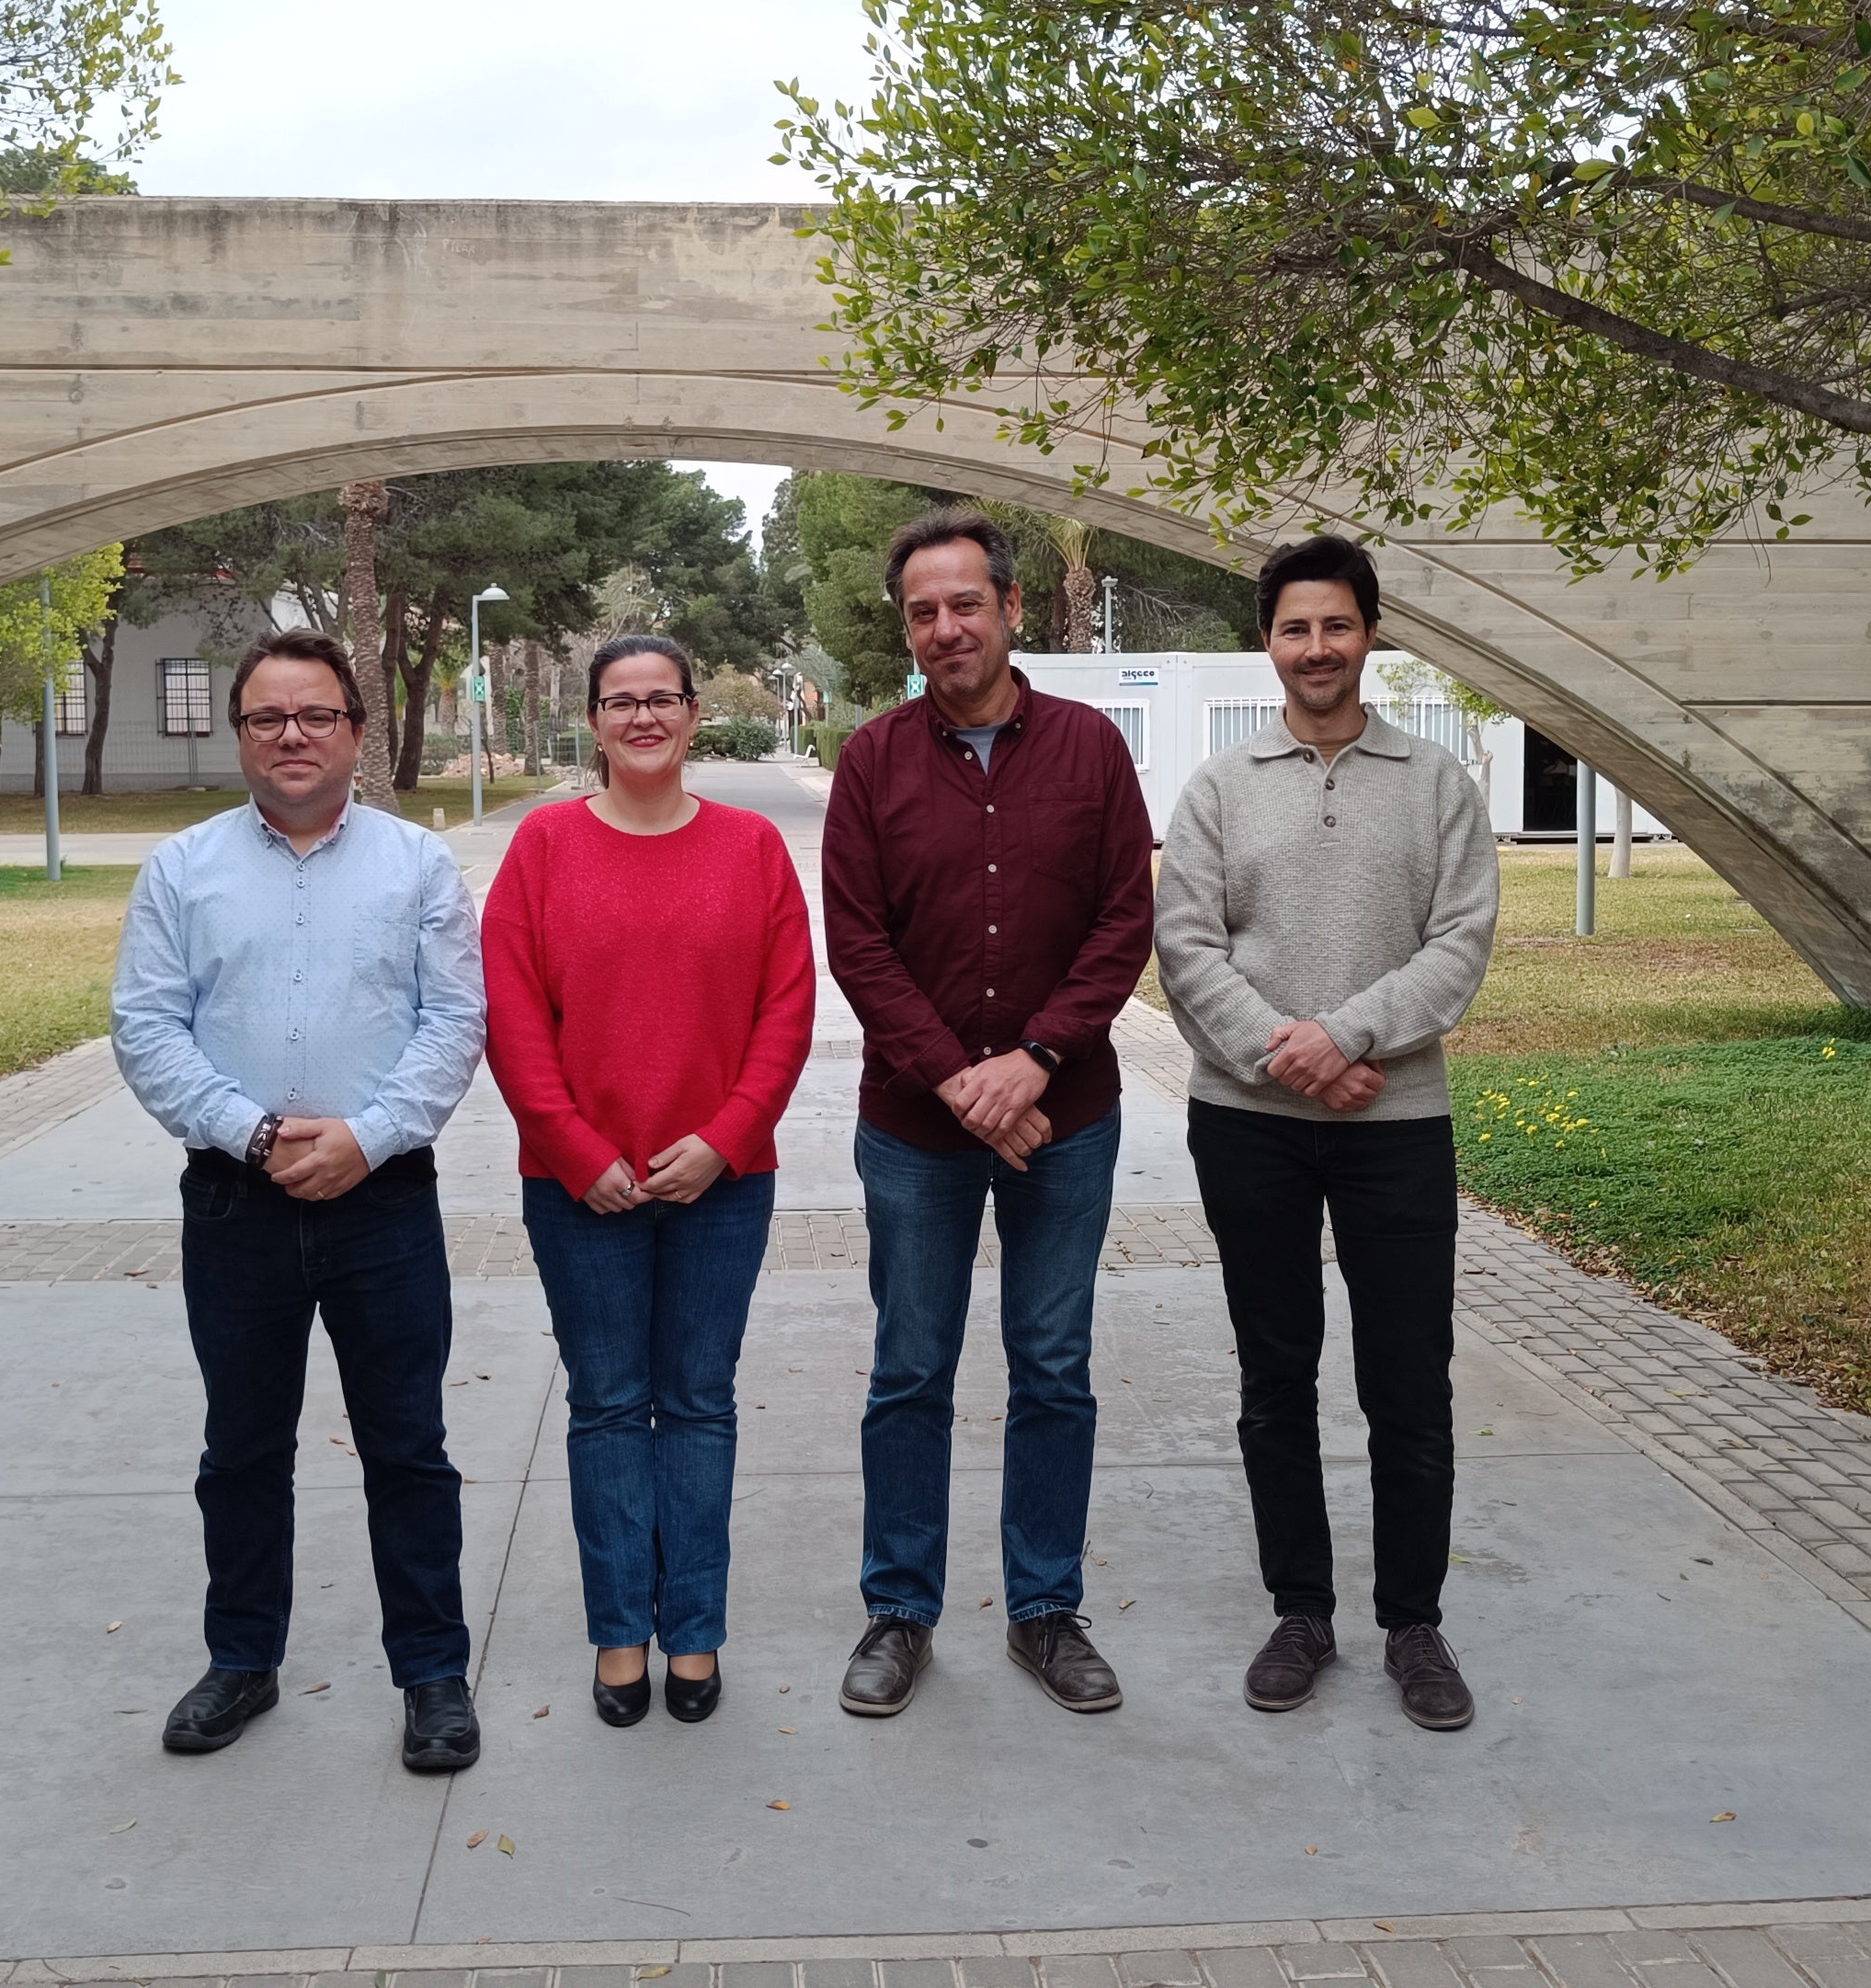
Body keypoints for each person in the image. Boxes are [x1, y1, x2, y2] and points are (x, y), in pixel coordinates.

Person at [111, 627, 490, 1771]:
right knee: (241, 1450)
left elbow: (454, 1022)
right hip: (237, 1205)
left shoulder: (416, 867)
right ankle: (242, 1662)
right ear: (241, 734)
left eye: (315, 715)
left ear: (356, 732)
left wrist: (365, 1140)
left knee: (408, 1451)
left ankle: (431, 1677)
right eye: (268, 717)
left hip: (383, 1203)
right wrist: (258, 1133)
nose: (292, 735)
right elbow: (145, 1026)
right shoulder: (182, 869)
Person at [1153, 535, 1500, 1731]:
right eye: (1295, 629)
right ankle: (1301, 1610)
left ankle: (1415, 1625)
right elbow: (1185, 949)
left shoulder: (1439, 784)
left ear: (1370, 633)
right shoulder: (1216, 788)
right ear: (1269, 641)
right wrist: (1285, 1054)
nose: (1317, 649)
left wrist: (1344, 1040)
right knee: (1276, 1375)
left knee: (1410, 1386)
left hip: (1396, 1124)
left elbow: (1459, 946)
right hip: (1249, 1124)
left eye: (1336, 626)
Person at [822, 506, 1157, 1720]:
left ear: (1012, 610)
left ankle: (1044, 1612)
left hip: (1068, 1122)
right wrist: (966, 1083)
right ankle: (900, 1612)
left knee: (1053, 1369)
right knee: (911, 1371)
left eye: (966, 603)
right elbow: (858, 944)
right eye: (924, 611)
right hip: (916, 1132)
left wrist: (1037, 1061)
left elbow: (1126, 921)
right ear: (906, 628)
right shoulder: (870, 763)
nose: (946, 627)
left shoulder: (1091, 752)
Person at [483, 634, 816, 1728]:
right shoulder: (541, 846)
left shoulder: (752, 847)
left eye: (661, 699)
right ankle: (620, 1629)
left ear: (689, 714)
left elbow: (785, 1008)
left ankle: (696, 1633)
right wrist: (576, 1151)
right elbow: (515, 1016)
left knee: (700, 1404)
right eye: (619, 702)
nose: (641, 718)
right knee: (610, 1407)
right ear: (592, 720)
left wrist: (726, 1135)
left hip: (721, 1183)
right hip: (583, 1190)